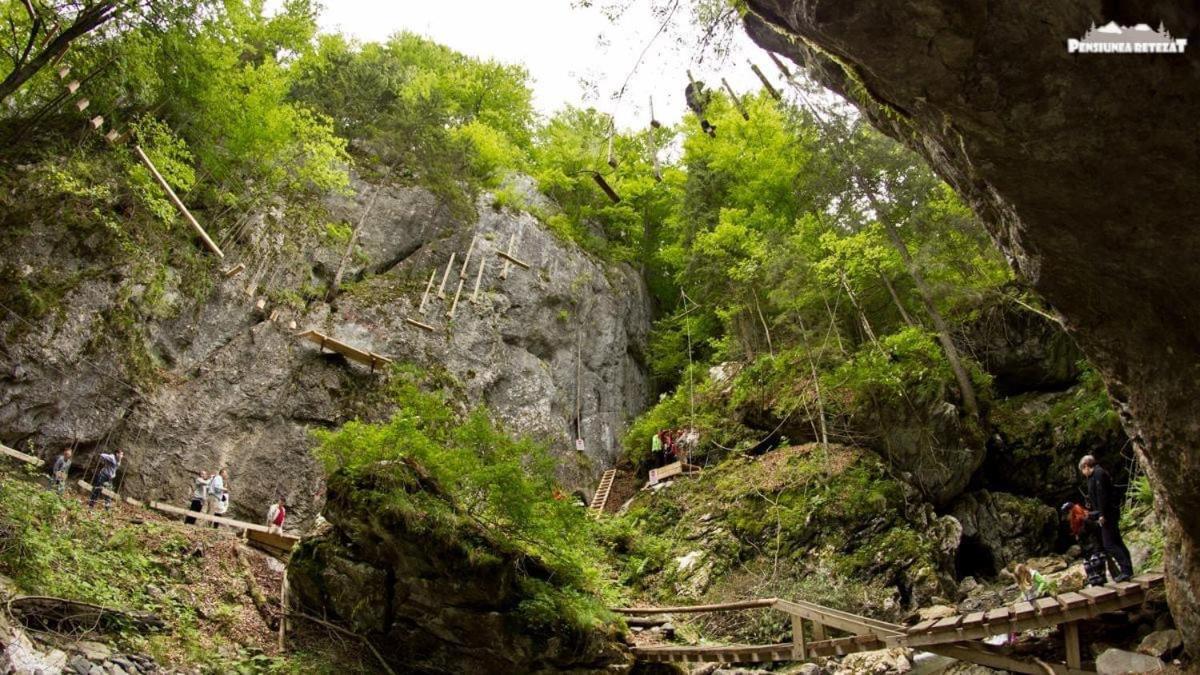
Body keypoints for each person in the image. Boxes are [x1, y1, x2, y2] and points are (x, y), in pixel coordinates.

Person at [1079, 455, 1134, 581]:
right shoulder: (1096, 475)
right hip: (1108, 513)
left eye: (1083, 470)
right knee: (1117, 541)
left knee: (1109, 544)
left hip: (1108, 514)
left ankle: (1126, 570)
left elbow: (1102, 496)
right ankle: (1127, 569)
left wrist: (1101, 514)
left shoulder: (1098, 474)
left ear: (1086, 466)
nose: (1083, 473)